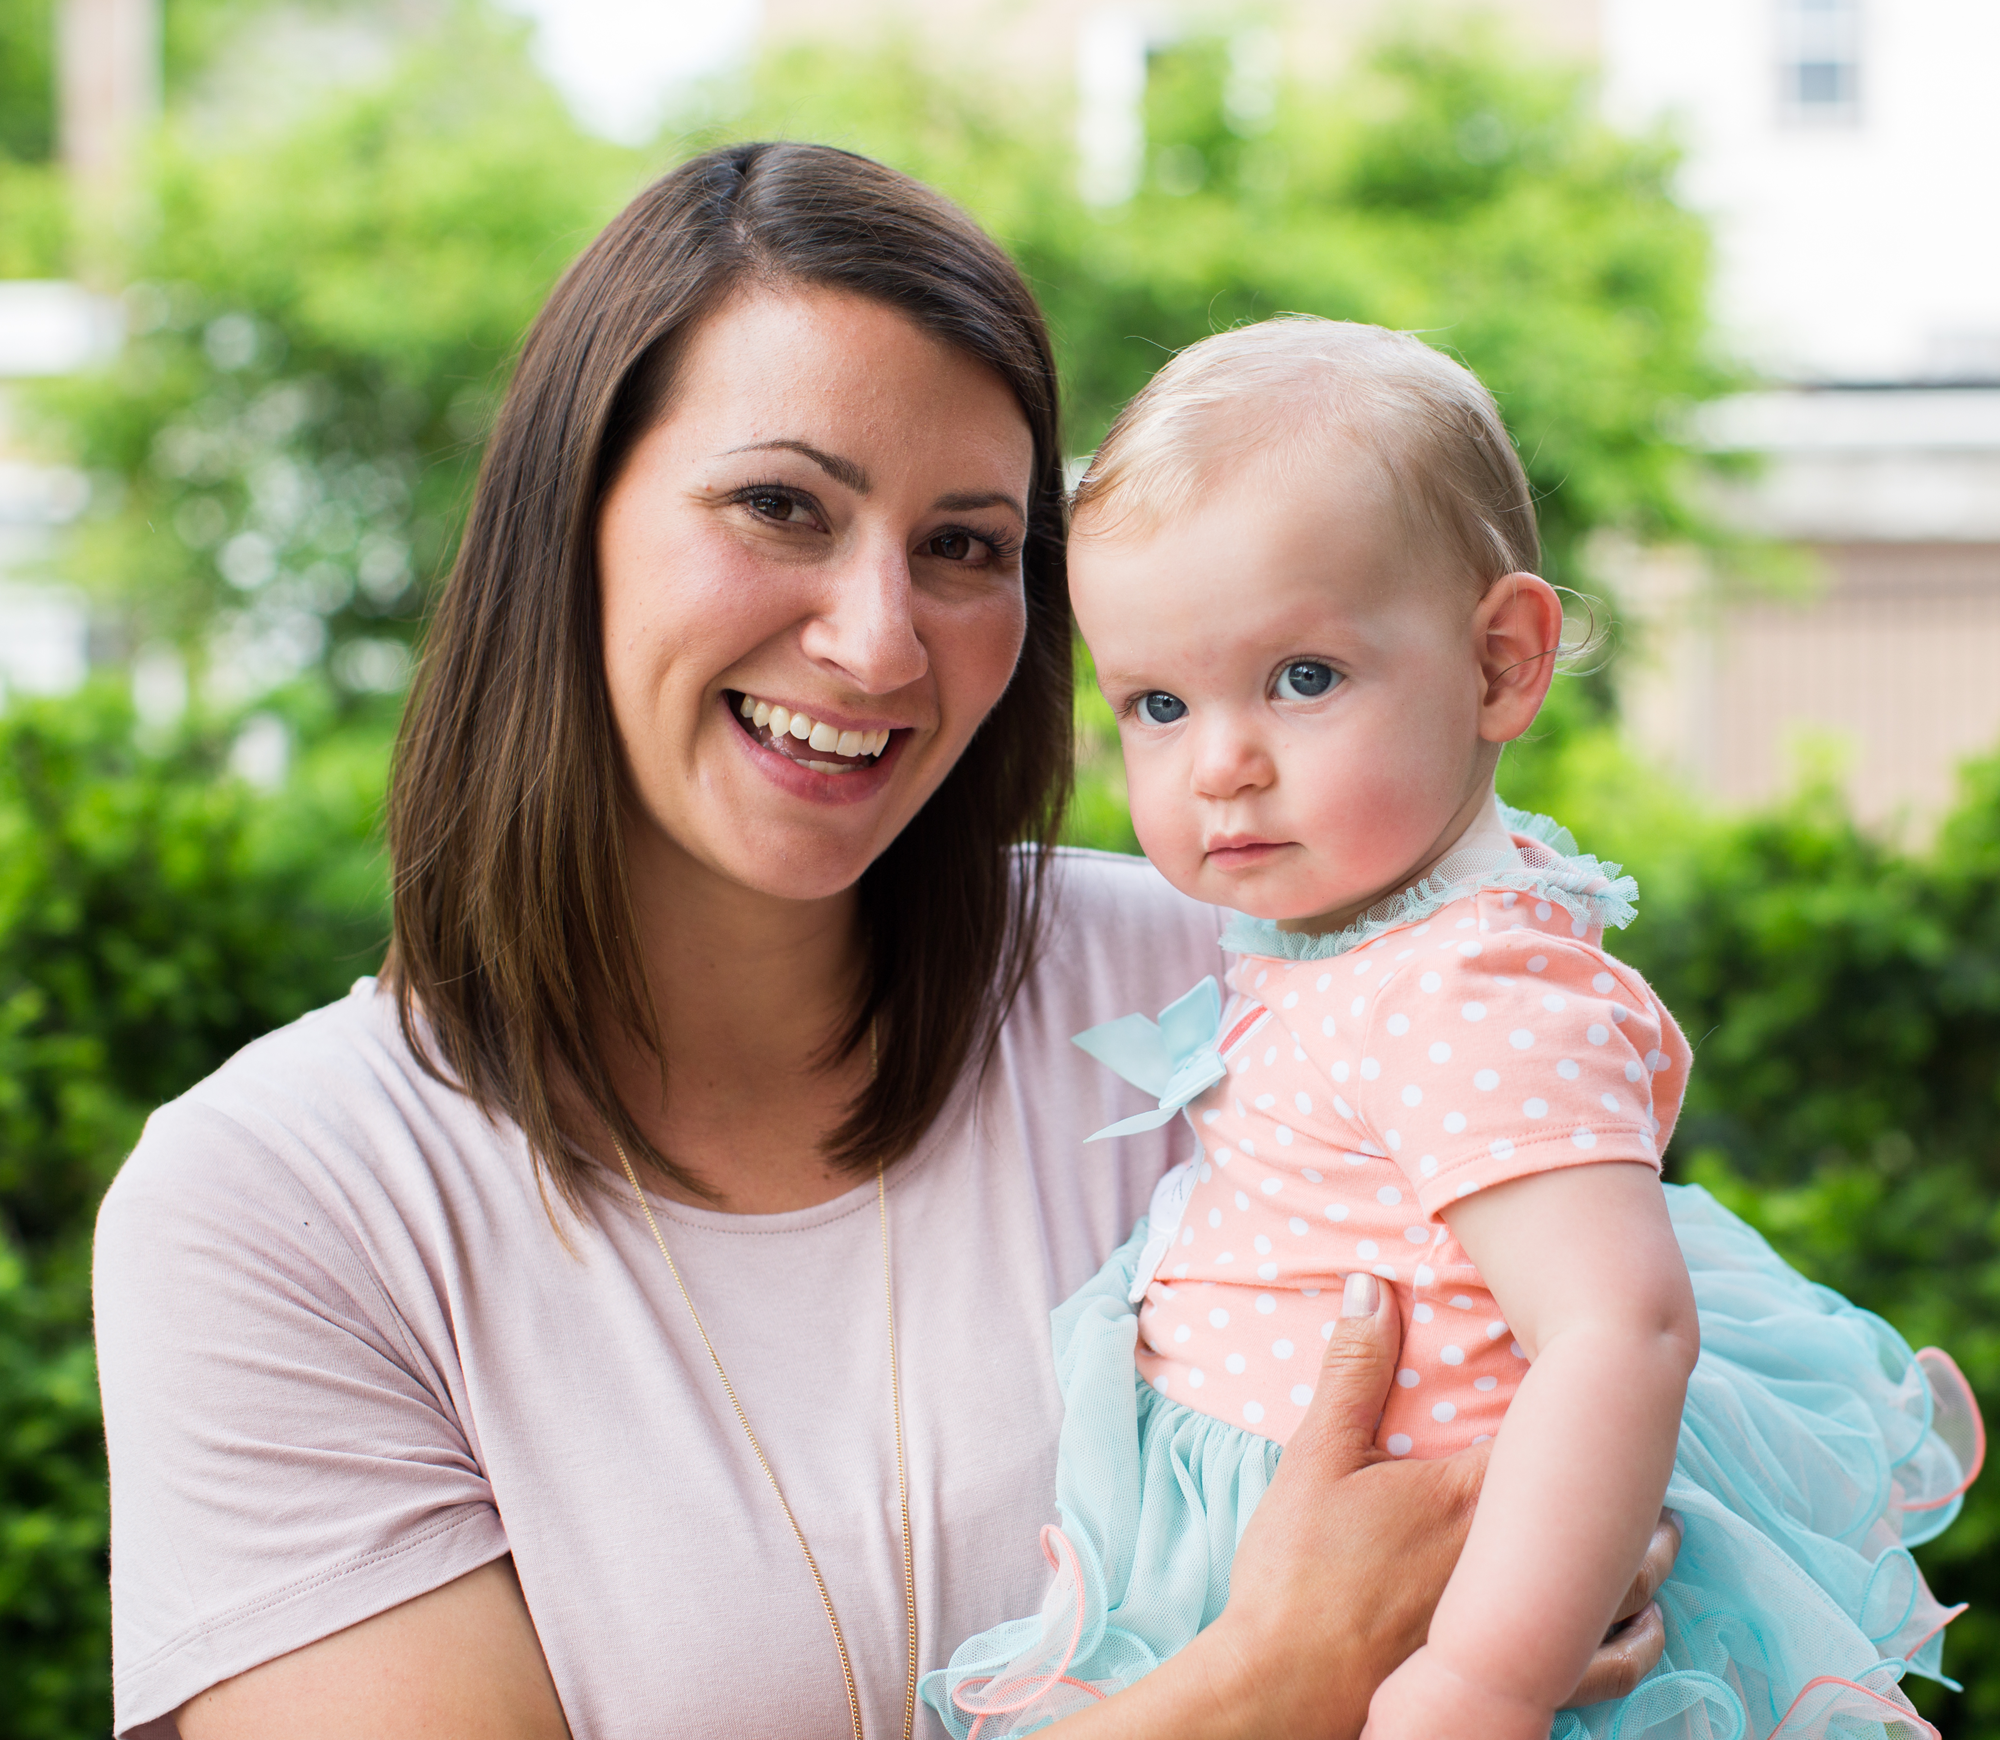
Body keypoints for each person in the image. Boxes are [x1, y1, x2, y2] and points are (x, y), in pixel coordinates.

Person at [91, 147, 1679, 1740]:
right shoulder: (282, 1206)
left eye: (968, 546)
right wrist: (1272, 1681)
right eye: (780, 506)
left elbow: (1615, 1414)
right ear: (565, 521)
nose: (876, 641)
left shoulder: (1244, 981)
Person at [922, 318, 1983, 1740]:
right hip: (1285, 1568)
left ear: (1500, 664)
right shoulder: (1352, 936)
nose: (1222, 764)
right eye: (1159, 705)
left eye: (1302, 677)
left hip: (1458, 1604)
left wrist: (1479, 1680)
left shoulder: (1460, 991)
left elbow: (1619, 1327)